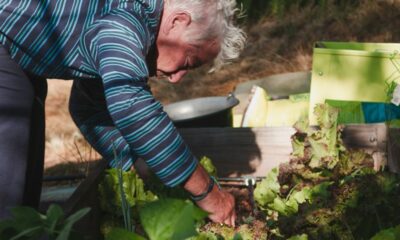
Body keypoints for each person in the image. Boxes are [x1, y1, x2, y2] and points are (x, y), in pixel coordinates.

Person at [0, 0, 246, 226]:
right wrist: (207, 193)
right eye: (189, 60)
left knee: (23, 194)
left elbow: (89, 107)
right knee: (8, 192)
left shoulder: (124, 22)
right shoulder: (125, 19)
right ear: (178, 21)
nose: (176, 78)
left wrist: (139, 165)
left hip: (17, 51)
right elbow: (131, 105)